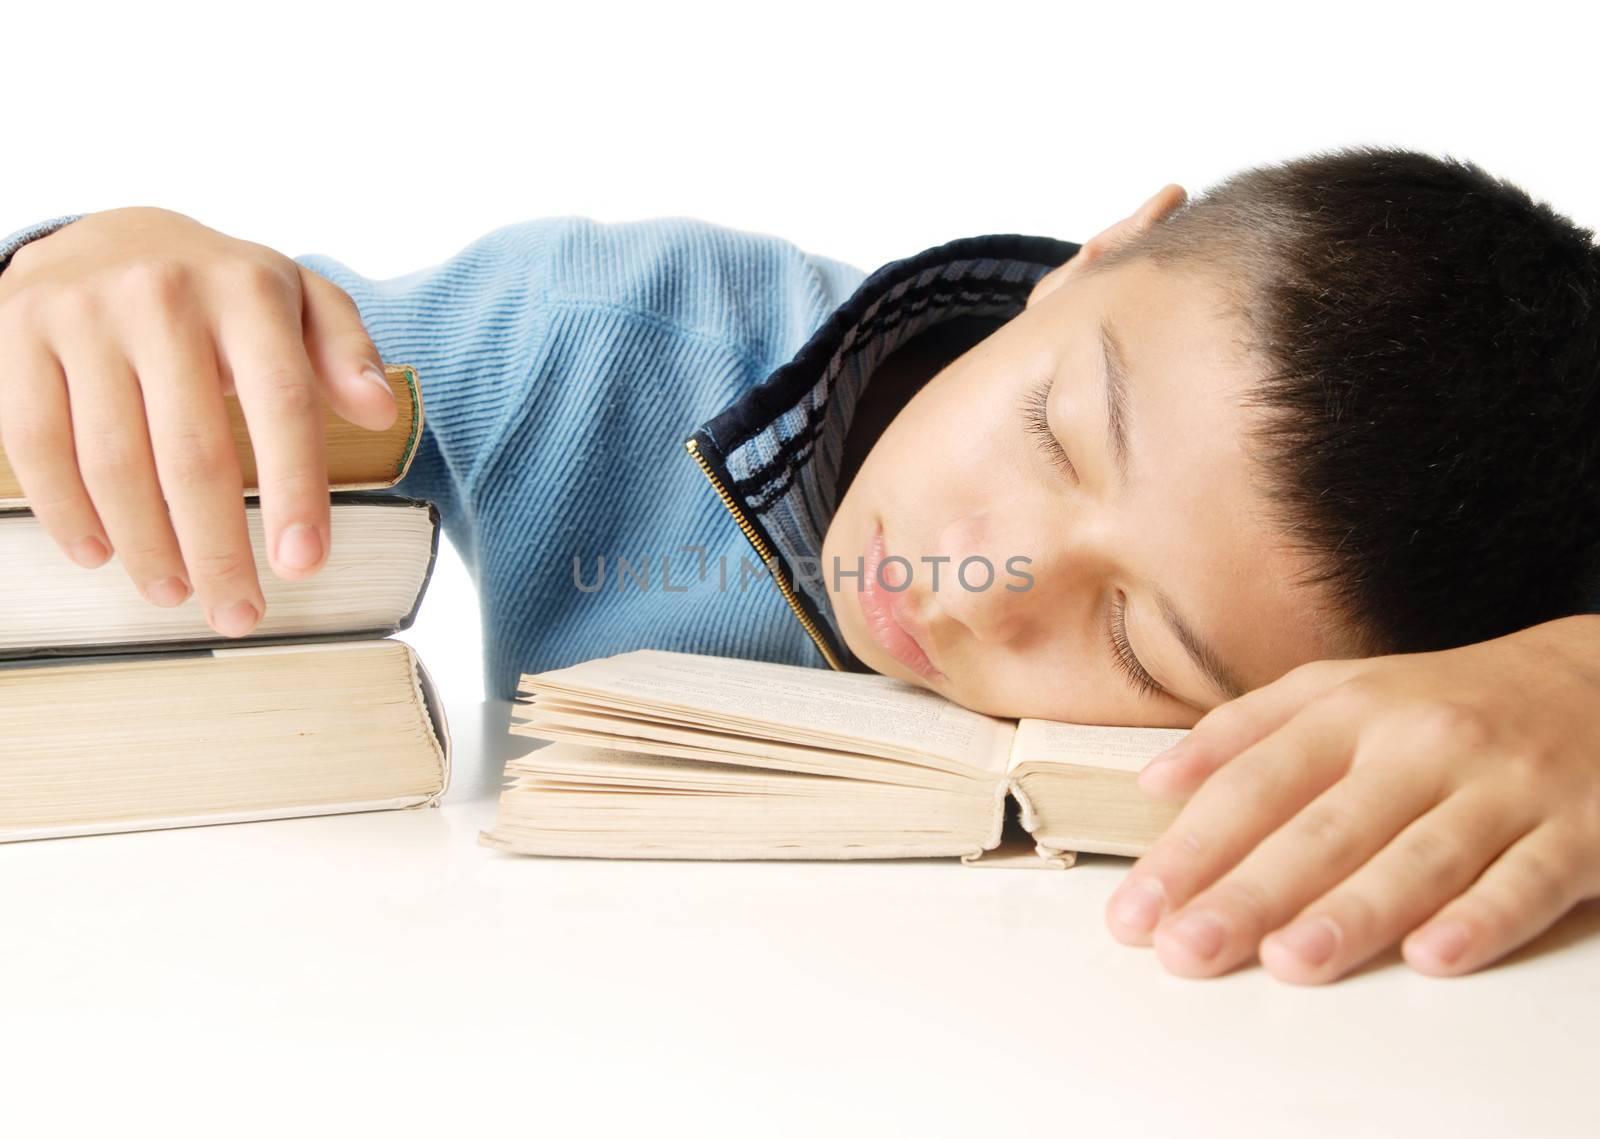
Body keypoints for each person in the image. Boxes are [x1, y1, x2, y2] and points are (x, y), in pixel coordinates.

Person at [2, 144, 1597, 986]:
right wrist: (74, 271)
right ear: (1099, 254)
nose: (998, 575)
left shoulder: (1472, 678)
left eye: (1145, 653)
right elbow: (221, 381)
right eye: (1051, 429)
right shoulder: (597, 352)